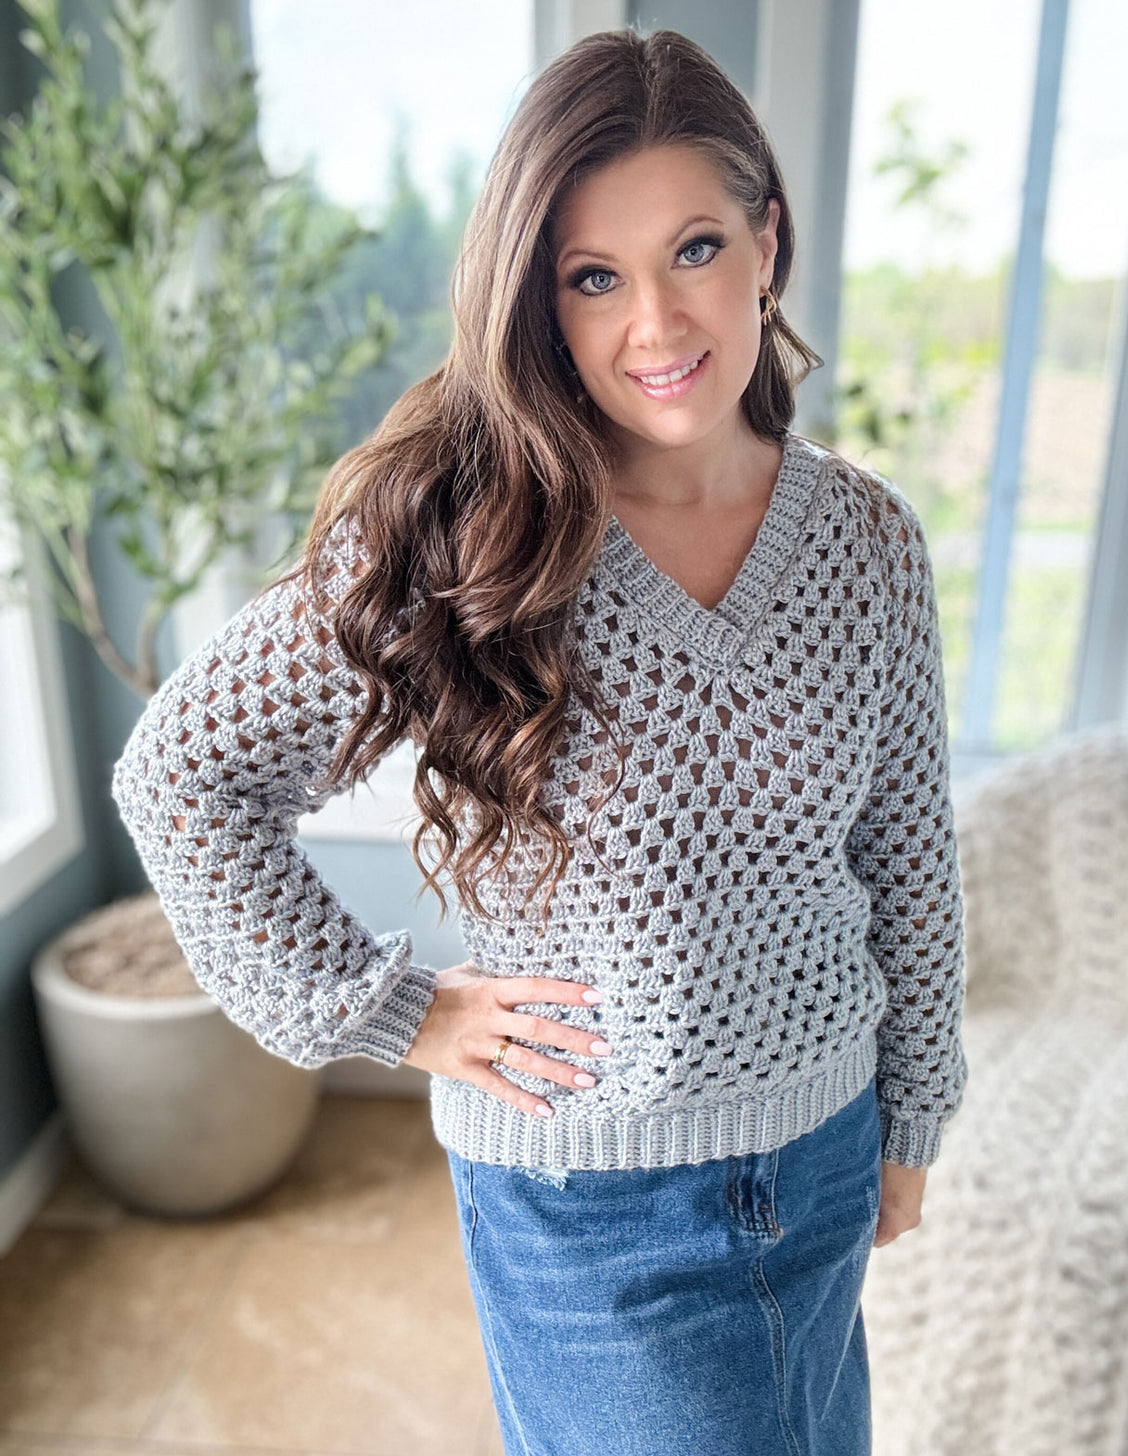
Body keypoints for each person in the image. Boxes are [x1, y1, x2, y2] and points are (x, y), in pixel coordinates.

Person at [111, 25, 968, 1456]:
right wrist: (397, 1013)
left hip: (824, 1150)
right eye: (593, 277)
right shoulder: (468, 534)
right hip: (591, 1213)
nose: (657, 324)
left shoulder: (868, 543)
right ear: (536, 299)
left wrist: (914, 1114)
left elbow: (908, 857)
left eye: (695, 250)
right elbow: (183, 775)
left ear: (767, 243)